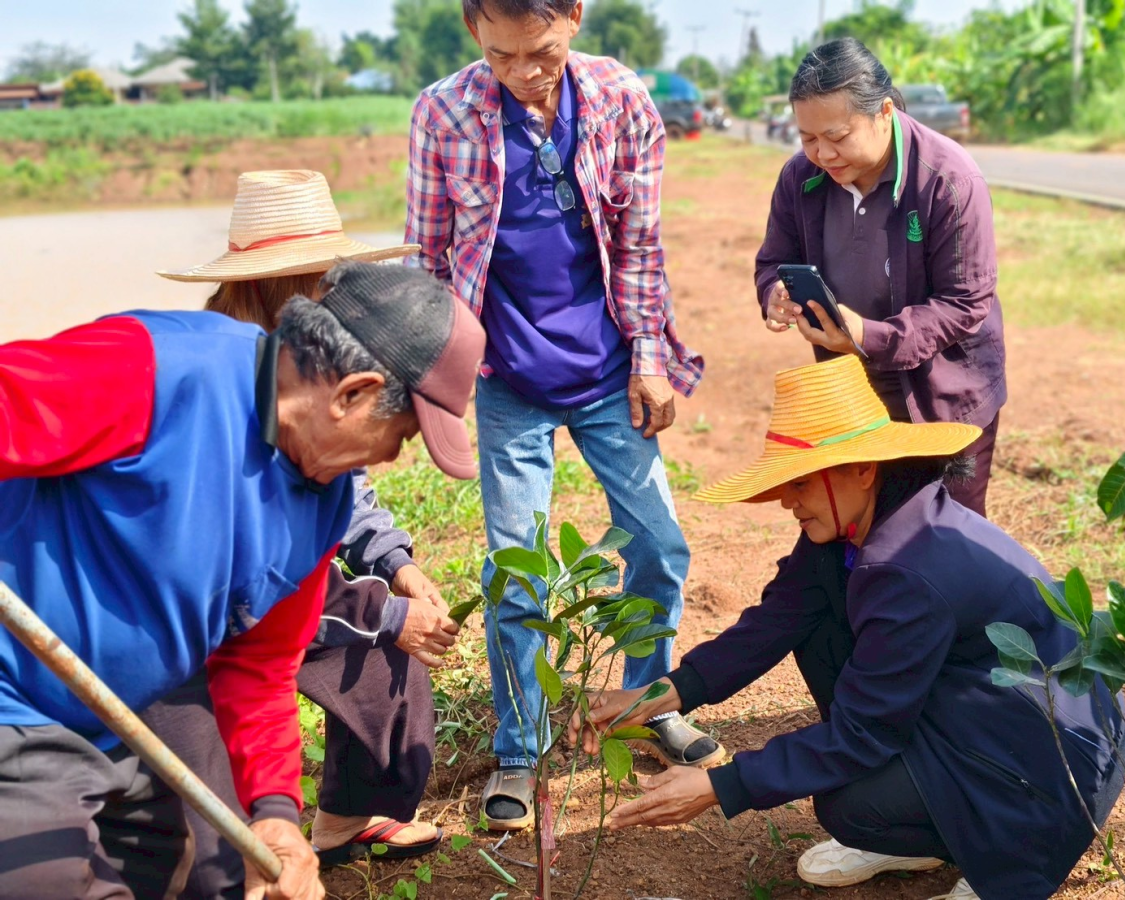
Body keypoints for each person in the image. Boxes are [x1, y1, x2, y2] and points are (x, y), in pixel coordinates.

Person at [0, 260, 485, 899]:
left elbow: (258, 667)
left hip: (134, 714)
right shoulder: (158, 371)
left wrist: (279, 816)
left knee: (218, 879)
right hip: (21, 702)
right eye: (400, 435)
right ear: (352, 395)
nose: (392, 458)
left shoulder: (324, 500)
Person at [571, 355, 1125, 900]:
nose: (788, 501)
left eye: (800, 483)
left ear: (863, 469)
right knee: (817, 629)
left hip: (1048, 771)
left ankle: (1000, 858)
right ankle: (939, 824)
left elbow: (864, 734)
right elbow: (779, 618)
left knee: (849, 803)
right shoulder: (865, 519)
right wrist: (661, 695)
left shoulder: (909, 567)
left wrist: (722, 786)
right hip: (1002, 720)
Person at [404, 0, 721, 830]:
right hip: (507, 376)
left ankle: (648, 703)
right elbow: (428, 256)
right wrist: (436, 381)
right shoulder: (442, 112)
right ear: (475, 29)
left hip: (612, 365)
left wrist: (650, 359)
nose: (522, 73)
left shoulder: (621, 99)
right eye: (501, 54)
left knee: (657, 542)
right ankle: (520, 745)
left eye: (539, 52)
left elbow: (643, 242)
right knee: (518, 566)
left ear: (575, 17)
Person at [137, 169, 465, 897]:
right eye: (316, 279)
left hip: (271, 597)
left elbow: (344, 491)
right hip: (206, 608)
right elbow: (232, 563)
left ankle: (346, 818)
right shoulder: (216, 369)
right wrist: (382, 611)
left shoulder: (329, 355)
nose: (330, 295)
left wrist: (395, 564)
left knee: (386, 649)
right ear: (269, 284)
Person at [756, 38, 1005, 517]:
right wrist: (774, 293)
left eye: (837, 136)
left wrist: (869, 335)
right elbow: (773, 259)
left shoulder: (949, 180)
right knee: (864, 533)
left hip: (944, 396)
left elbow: (965, 302)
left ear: (883, 111)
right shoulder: (798, 179)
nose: (823, 154)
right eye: (808, 139)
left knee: (949, 538)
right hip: (853, 395)